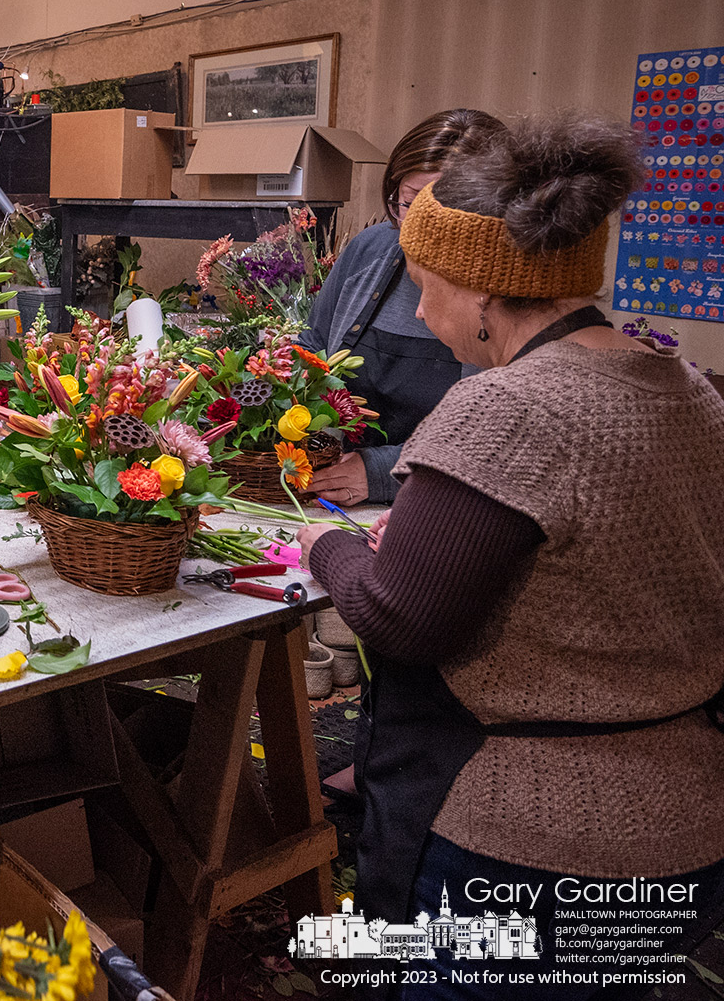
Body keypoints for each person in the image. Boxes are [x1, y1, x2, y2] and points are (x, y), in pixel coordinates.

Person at [298, 112, 724, 998]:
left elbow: (394, 618)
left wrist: (325, 543)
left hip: (530, 843)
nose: (419, 310)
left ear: (483, 290)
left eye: (428, 286)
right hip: (682, 824)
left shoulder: (506, 407)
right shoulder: (682, 385)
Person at [299, 109, 504, 505]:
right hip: (341, 496)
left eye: (441, 209)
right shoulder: (370, 250)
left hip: (443, 504)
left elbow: (495, 442)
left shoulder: (509, 292)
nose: (419, 227)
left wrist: (382, 472)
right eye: (410, 203)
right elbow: (312, 348)